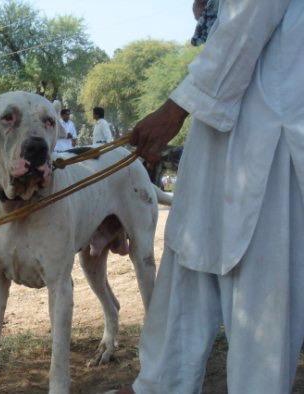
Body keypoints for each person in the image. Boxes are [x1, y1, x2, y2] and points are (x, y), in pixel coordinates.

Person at [113, 1, 304, 393]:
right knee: (186, 270)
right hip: (216, 134)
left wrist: (174, 109)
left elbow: (246, 21)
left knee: (261, 303)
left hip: (267, 137)